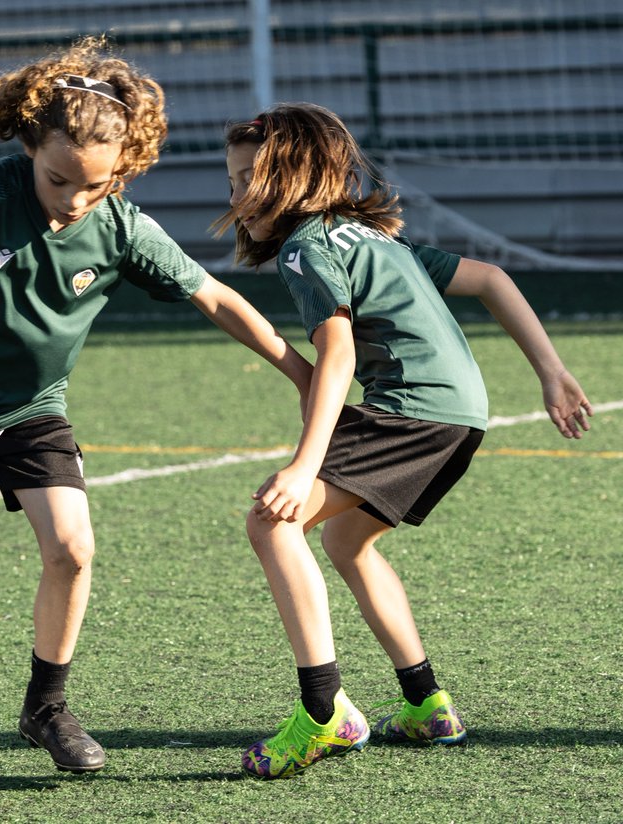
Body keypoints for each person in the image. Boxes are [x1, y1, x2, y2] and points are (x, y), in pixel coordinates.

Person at [0, 39, 311, 775]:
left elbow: (214, 296)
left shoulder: (119, 224)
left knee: (73, 547)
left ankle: (45, 707)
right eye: (58, 181)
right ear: (28, 147)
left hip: (30, 408)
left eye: (96, 186)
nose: (74, 201)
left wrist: (300, 372)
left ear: (122, 173)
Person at [217, 103, 593, 779]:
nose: (237, 194)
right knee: (346, 540)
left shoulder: (309, 248)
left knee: (273, 521)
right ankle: (427, 704)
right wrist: (551, 371)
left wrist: (304, 468)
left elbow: (338, 356)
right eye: (232, 179)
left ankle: (324, 713)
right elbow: (493, 279)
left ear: (295, 174)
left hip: (413, 408)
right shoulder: (374, 240)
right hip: (461, 415)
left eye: (249, 175)